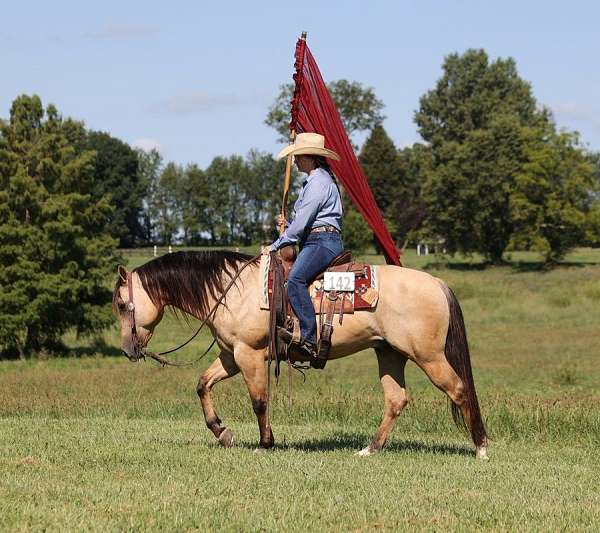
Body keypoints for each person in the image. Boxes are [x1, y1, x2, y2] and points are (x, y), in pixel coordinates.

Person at [263, 132, 344, 359]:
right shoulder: (317, 180)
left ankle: (308, 339)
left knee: (296, 280)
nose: (295, 161)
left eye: (297, 156)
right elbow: (303, 223)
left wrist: (276, 244)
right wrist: (288, 225)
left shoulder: (318, 182)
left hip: (322, 242)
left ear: (308, 157)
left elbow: (301, 226)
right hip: (317, 239)